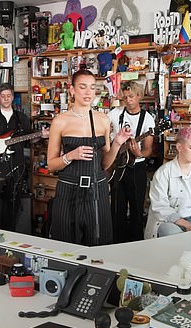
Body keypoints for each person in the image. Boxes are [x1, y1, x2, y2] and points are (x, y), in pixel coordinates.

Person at [47, 69, 131, 246]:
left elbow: (104, 164)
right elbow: (51, 165)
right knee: (65, 246)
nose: (87, 92)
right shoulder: (60, 121)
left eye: (92, 88)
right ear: (72, 90)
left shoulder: (103, 120)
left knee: (99, 245)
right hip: (68, 190)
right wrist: (70, 155)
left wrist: (117, 143)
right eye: (82, 87)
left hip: (97, 190)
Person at [0, 83, 48, 230]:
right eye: (3, 96)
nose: (6, 99)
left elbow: (30, 139)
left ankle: (10, 237)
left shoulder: (21, 118)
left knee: (13, 205)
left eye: (9, 96)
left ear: (12, 97)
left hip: (16, 168)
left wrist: (41, 136)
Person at [145, 126, 191, 238]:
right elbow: (160, 206)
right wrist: (185, 224)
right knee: (173, 234)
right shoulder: (163, 173)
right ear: (179, 147)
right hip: (168, 221)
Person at [108, 81, 155, 243]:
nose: (128, 100)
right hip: (116, 166)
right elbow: (105, 133)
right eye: (125, 97)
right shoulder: (115, 113)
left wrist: (139, 153)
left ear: (139, 97)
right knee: (116, 207)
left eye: (131, 97)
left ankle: (136, 243)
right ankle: (115, 242)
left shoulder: (147, 119)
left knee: (136, 208)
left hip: (136, 167)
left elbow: (148, 150)